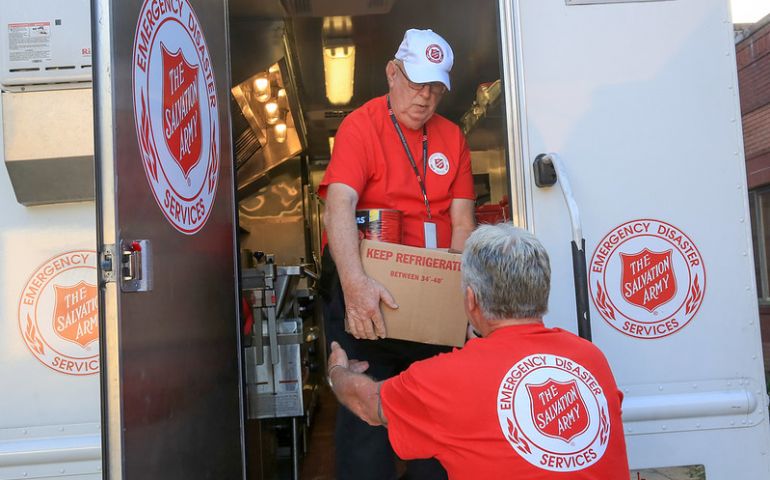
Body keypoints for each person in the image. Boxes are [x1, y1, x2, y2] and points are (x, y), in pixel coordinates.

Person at [326, 224, 630, 479]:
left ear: (471, 299)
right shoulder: (590, 358)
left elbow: (367, 403)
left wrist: (338, 372)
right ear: (541, 291)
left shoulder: (446, 377)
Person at [317, 28, 476, 479]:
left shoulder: (452, 137)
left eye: (435, 88)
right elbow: (339, 204)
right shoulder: (361, 125)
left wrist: (458, 299)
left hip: (431, 301)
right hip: (370, 298)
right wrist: (354, 287)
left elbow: (463, 223)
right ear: (392, 73)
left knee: (437, 428)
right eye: (415, 83)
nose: (424, 98)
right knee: (367, 419)